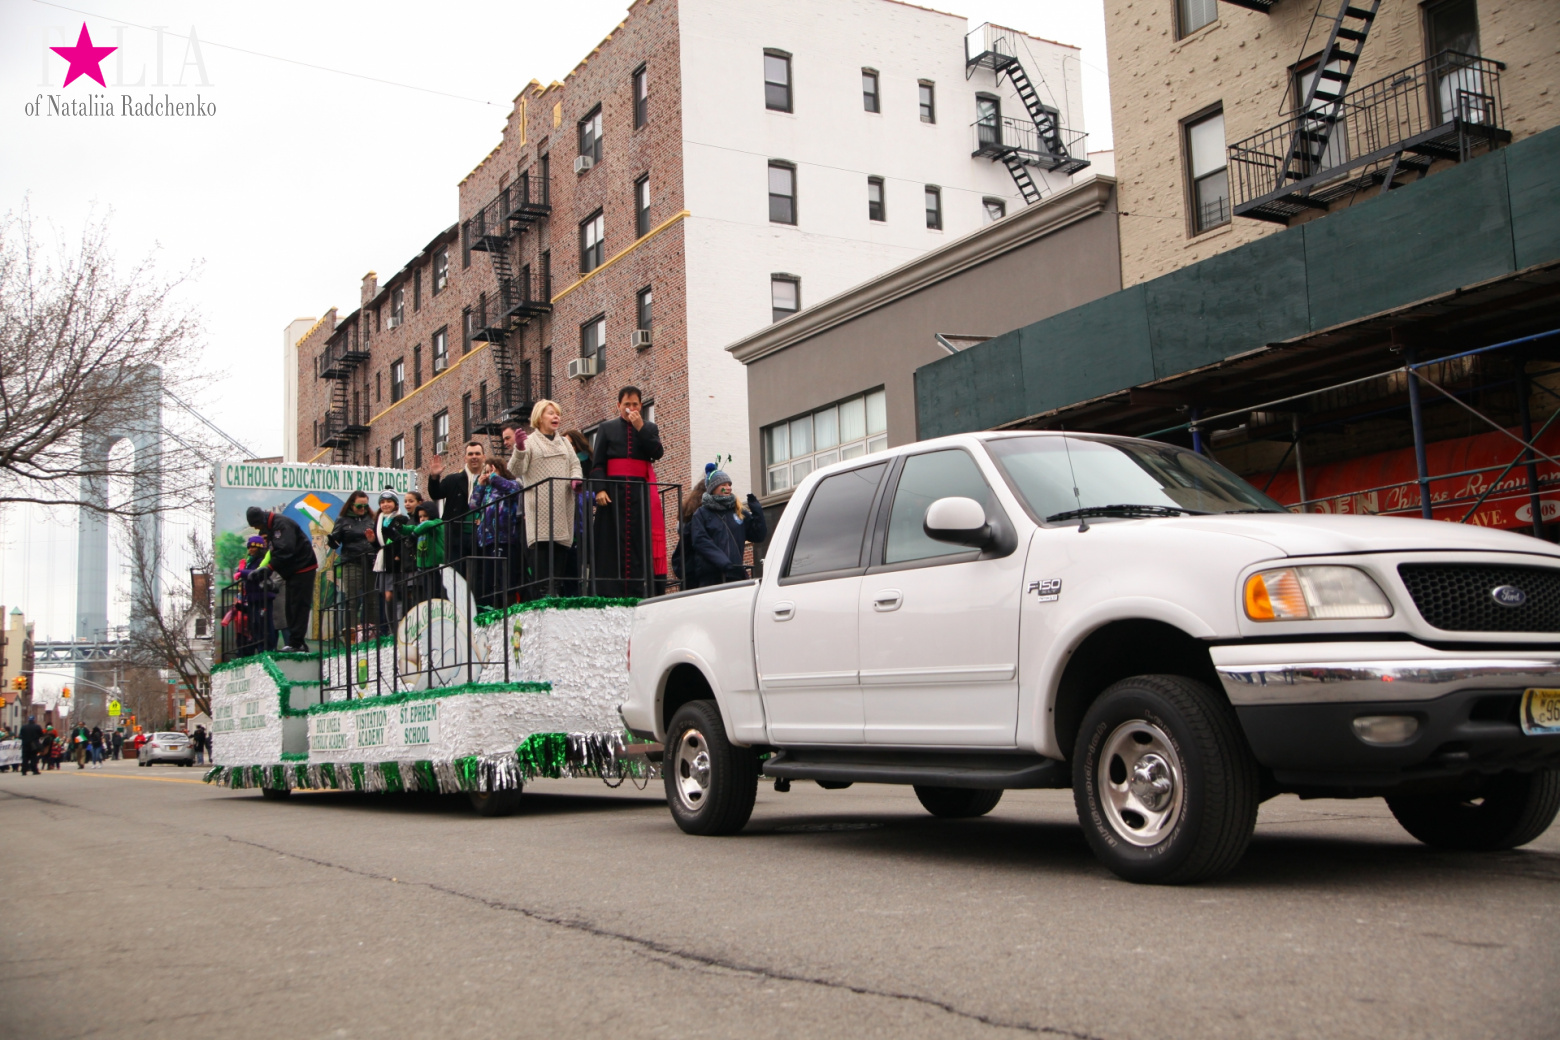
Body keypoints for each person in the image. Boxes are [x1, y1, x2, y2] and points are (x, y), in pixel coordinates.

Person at [590, 387, 667, 597]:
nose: (630, 408)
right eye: (626, 404)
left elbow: (657, 452)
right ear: (618, 406)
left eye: (635, 404)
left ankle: (640, 590)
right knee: (610, 543)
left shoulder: (649, 428)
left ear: (641, 406)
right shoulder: (606, 428)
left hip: (639, 494)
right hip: (613, 493)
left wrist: (640, 426)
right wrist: (600, 489)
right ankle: (607, 592)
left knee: (638, 542)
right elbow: (597, 464)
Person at [511, 401, 585, 597]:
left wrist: (576, 479)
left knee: (560, 548)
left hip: (562, 504)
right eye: (551, 413)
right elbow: (516, 470)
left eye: (558, 414)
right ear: (539, 417)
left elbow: (575, 465)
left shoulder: (564, 443)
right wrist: (519, 449)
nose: (556, 417)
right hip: (539, 507)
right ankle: (543, 593)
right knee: (541, 553)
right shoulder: (530, 442)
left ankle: (555, 592)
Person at [246, 506, 318, 652]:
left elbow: (286, 550)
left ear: (261, 520)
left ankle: (296, 643)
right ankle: (294, 642)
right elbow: (275, 552)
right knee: (290, 607)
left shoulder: (281, 525)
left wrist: (269, 568)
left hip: (303, 567)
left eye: (256, 525)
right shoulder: (272, 527)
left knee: (298, 606)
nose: (256, 528)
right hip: (292, 571)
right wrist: (265, 571)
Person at [680, 468, 767, 590]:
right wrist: (723, 562)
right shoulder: (701, 514)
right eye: (724, 484)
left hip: (735, 576)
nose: (728, 487)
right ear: (713, 488)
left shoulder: (738, 511)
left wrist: (757, 511)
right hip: (711, 579)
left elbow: (758, 535)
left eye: (729, 484)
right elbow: (700, 540)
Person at [327, 490, 377, 642]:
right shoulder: (343, 520)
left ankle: (371, 631)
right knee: (352, 598)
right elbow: (335, 541)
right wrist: (332, 541)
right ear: (351, 504)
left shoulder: (372, 519)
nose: (362, 508)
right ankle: (352, 633)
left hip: (370, 561)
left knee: (371, 599)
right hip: (351, 561)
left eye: (365, 505)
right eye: (359, 505)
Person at [427, 441, 487, 566]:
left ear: (483, 457)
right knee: (457, 575)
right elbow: (436, 494)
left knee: (480, 573)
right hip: (456, 535)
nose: (474, 457)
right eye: (470, 454)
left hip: (483, 534)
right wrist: (434, 477)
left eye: (477, 453)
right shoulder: (453, 480)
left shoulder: (492, 479)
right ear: (465, 458)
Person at [472, 458, 522, 607]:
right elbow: (473, 505)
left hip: (504, 537)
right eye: (486, 472)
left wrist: (494, 478)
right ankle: (493, 607)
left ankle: (507, 605)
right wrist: (480, 486)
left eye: (492, 471)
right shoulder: (487, 490)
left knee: (503, 578)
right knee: (490, 578)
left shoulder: (511, 483)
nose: (488, 474)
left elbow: (514, 490)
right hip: (486, 539)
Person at [372, 491, 415, 631]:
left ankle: (402, 628)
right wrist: (372, 541)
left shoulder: (401, 519)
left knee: (399, 595)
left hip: (398, 562)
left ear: (395, 504)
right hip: (384, 561)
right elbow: (379, 545)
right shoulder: (377, 521)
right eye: (383, 502)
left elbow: (402, 539)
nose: (385, 504)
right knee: (388, 596)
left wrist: (398, 555)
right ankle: (392, 629)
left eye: (389, 501)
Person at [408, 503, 446, 606]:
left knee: (436, 593)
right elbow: (409, 528)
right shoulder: (419, 528)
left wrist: (414, 534)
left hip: (435, 565)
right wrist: (398, 527)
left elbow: (428, 524)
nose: (422, 519)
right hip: (423, 567)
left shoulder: (437, 523)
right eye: (420, 516)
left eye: (425, 516)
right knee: (427, 594)